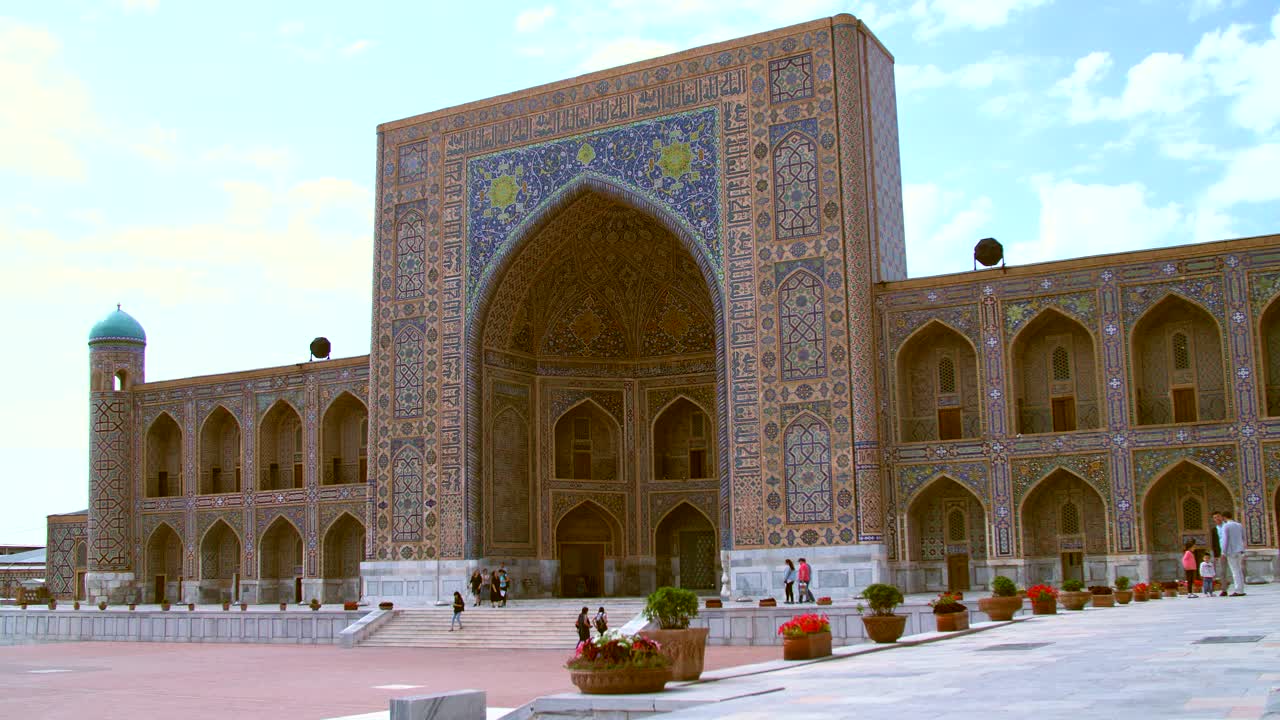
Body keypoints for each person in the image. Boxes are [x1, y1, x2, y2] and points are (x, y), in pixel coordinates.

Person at [1218, 510, 1247, 596]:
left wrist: (1223, 552)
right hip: (1239, 550)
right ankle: (1241, 589)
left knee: (1235, 571)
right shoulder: (1239, 525)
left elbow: (1225, 540)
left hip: (1231, 551)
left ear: (1224, 517)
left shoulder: (1226, 526)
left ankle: (1238, 590)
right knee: (1239, 571)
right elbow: (1243, 538)